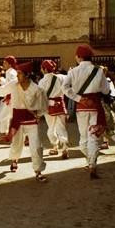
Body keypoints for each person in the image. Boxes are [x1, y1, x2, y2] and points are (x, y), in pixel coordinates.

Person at [0, 62, 49, 182]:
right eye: (17, 73)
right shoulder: (13, 84)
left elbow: (44, 105)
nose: (17, 76)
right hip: (17, 119)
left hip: (31, 120)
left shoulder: (37, 89)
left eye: (19, 73)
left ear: (27, 75)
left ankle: (38, 171)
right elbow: (1, 90)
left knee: (36, 146)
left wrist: (38, 115)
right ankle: (14, 160)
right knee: (16, 143)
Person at [62, 45, 110, 179]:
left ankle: (90, 162)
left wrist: (78, 98)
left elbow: (65, 88)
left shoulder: (73, 71)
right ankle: (92, 164)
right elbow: (106, 91)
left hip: (81, 107)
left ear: (79, 57)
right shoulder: (99, 71)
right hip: (95, 106)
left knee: (83, 138)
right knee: (93, 137)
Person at [38, 60, 69, 159]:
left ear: (45, 69)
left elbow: (40, 96)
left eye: (42, 68)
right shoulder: (62, 77)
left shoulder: (42, 81)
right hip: (60, 104)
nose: (41, 70)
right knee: (61, 127)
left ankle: (55, 147)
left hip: (49, 105)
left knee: (51, 127)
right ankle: (64, 147)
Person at [0, 56, 18, 138]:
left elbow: (14, 83)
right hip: (11, 96)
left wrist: (9, 95)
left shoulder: (11, 72)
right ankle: (9, 134)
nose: (3, 64)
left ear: (9, 64)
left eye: (5, 63)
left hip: (11, 97)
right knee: (10, 116)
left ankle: (5, 135)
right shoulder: (10, 71)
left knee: (4, 116)